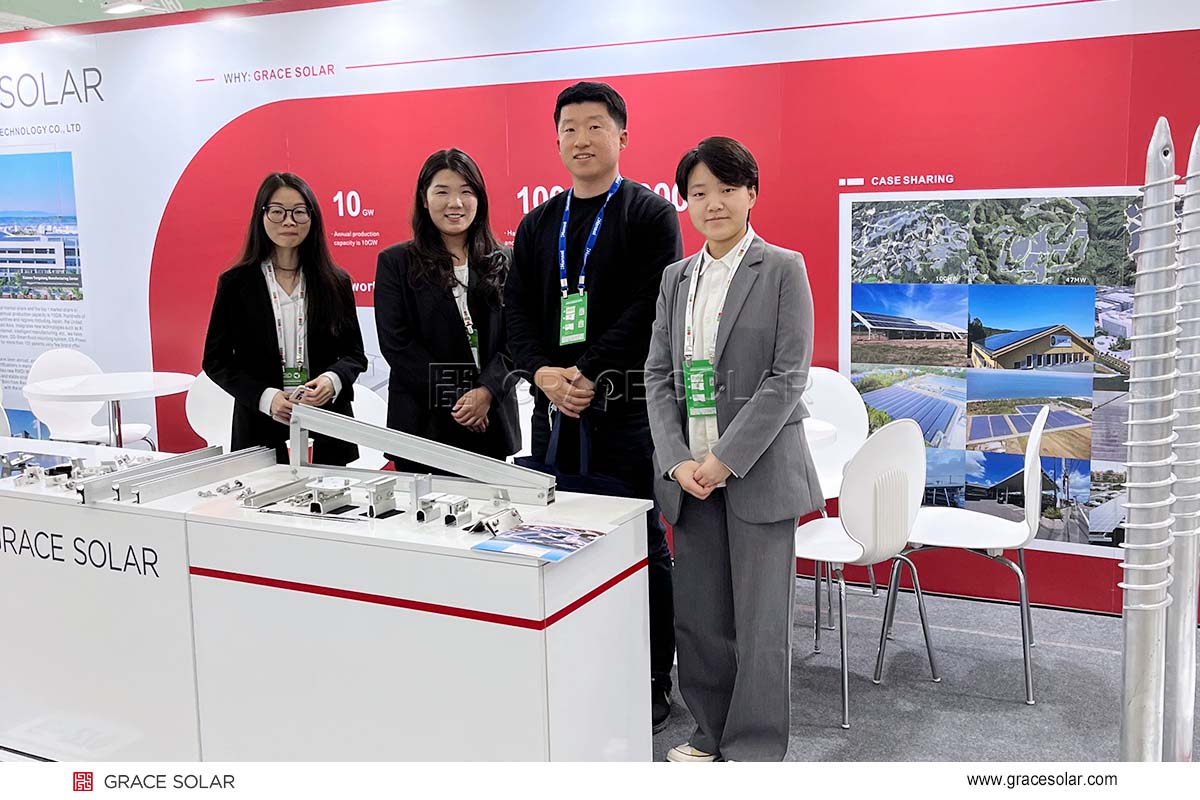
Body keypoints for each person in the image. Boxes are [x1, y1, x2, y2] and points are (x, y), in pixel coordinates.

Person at [504, 81, 682, 731]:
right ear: (556, 140)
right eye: (569, 128)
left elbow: (648, 308)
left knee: (640, 545)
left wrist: (585, 370)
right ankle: (577, 666)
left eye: (595, 126)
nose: (581, 139)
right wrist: (543, 374)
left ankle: (653, 677)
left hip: (625, 411)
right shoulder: (537, 225)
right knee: (559, 540)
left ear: (622, 136)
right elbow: (516, 315)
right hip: (553, 411)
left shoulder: (650, 215)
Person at [645, 137, 823, 762]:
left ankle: (753, 748)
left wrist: (724, 459)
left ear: (751, 193)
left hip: (757, 473)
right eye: (698, 193)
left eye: (726, 189)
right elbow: (657, 375)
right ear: (685, 202)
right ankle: (710, 732)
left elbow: (788, 377)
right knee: (699, 620)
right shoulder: (676, 278)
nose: (713, 203)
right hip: (689, 477)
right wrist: (677, 460)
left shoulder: (782, 268)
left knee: (760, 624)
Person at [203, 172, 367, 465]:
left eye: (299, 212)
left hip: (326, 421)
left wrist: (331, 381)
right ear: (261, 215)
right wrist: (266, 398)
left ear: (312, 218)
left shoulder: (335, 282)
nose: (289, 221)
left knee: (329, 493)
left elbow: (354, 355)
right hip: (260, 423)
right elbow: (216, 360)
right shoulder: (236, 284)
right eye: (277, 211)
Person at [375, 149, 519, 471]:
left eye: (466, 192)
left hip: (490, 422)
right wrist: (459, 399)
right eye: (442, 192)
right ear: (424, 200)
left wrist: (487, 392)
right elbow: (397, 344)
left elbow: (518, 339)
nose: (455, 203)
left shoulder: (504, 260)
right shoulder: (396, 263)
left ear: (479, 199)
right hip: (423, 426)